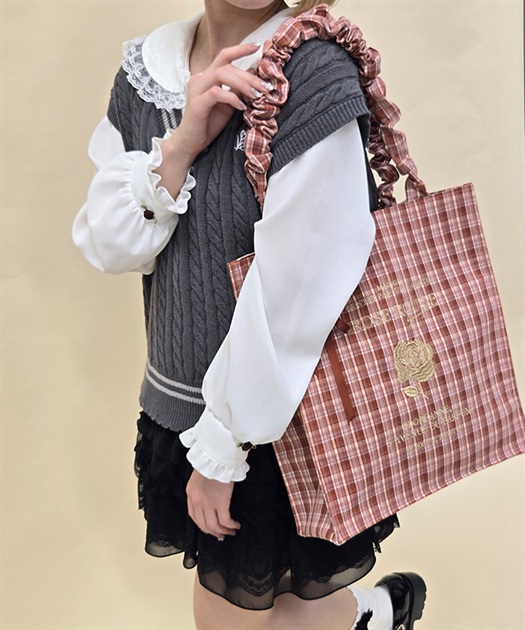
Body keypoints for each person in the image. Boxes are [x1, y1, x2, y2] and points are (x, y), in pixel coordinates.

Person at [73, 0, 427, 628]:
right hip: (182, 403)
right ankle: (372, 617)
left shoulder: (312, 73)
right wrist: (181, 145)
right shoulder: (145, 73)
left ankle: (369, 617)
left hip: (278, 423)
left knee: (253, 612)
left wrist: (222, 446)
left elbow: (304, 281)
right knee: (296, 600)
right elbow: (111, 245)